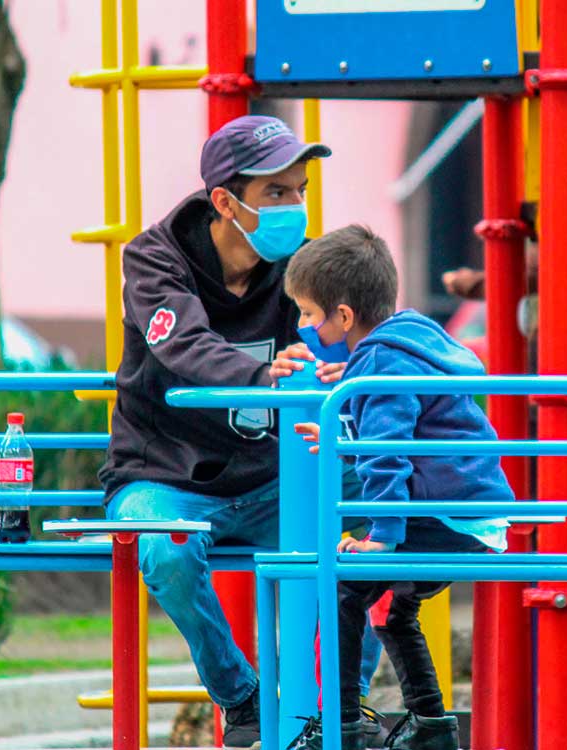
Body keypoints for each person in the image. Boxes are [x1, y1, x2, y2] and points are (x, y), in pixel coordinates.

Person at [98, 115, 380, 749]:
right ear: (224, 201)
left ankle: (340, 698)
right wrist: (264, 378)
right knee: (166, 549)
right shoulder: (155, 258)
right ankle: (241, 695)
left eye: (300, 190)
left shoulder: (300, 267)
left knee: (374, 509)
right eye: (275, 193)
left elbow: (347, 331)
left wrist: (347, 364)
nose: (295, 206)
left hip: (273, 476)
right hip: (163, 475)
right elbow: (185, 346)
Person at [275, 225, 512, 750]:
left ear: (343, 317)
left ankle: (340, 728)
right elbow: (401, 431)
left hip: (447, 518)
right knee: (392, 606)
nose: (302, 324)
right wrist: (345, 428)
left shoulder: (382, 362)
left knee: (346, 586)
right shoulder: (405, 340)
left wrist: (381, 538)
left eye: (310, 313)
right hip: (469, 514)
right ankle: (432, 727)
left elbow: (388, 455)